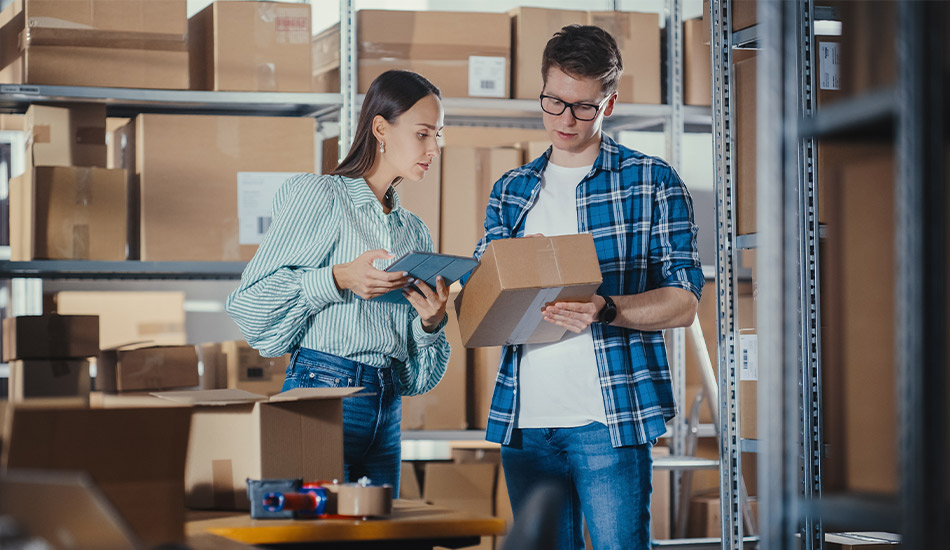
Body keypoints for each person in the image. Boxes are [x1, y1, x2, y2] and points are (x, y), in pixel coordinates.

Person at [468, 25, 703, 550]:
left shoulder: (653, 181)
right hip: (526, 424)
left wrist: (605, 308)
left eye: (582, 107)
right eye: (554, 102)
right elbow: (483, 297)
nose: (565, 120)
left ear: (609, 103)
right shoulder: (512, 190)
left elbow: (684, 302)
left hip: (609, 421)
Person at [226, 70, 451, 495]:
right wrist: (338, 277)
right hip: (323, 391)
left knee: (380, 531)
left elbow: (415, 380)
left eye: (437, 135)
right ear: (381, 128)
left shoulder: (414, 232)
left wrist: (429, 324)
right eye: (423, 134)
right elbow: (249, 304)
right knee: (318, 529)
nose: (434, 149)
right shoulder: (321, 197)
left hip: (387, 405)